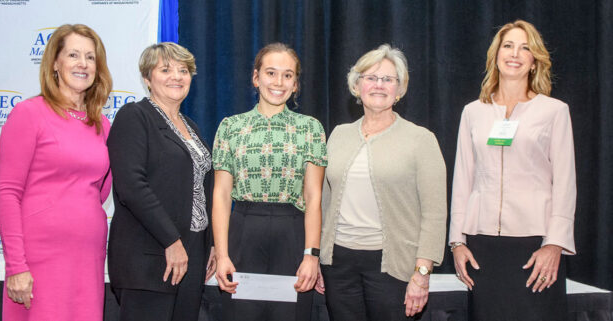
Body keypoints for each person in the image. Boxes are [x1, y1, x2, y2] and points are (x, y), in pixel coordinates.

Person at [449, 20, 576, 321]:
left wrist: (555, 243)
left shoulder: (554, 111)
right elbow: (463, 179)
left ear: (534, 62)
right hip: (482, 247)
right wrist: (457, 241)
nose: (515, 53)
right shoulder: (473, 112)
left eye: (525, 48)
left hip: (536, 245)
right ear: (496, 55)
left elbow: (565, 182)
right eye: (508, 45)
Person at [318, 44, 447, 320]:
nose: (379, 85)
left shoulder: (421, 140)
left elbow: (435, 214)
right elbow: (324, 202)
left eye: (388, 79)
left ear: (399, 89)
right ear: (357, 86)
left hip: (393, 266)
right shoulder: (338, 135)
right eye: (371, 78)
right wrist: (318, 255)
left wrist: (422, 274)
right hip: (338, 264)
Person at [0, 24, 112, 321]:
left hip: (87, 258)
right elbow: (8, 194)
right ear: (55, 64)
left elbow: (100, 192)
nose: (83, 63)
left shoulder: (103, 125)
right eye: (73, 54)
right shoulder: (29, 114)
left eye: (90, 57)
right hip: (39, 259)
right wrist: (16, 266)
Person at [212, 42, 327, 321]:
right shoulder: (231, 126)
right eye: (271, 73)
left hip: (292, 236)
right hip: (242, 234)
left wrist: (311, 255)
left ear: (296, 84)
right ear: (256, 77)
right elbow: (222, 195)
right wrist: (222, 254)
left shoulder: (310, 128)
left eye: (287, 75)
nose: (278, 82)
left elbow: (314, 198)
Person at [107, 42, 215, 321]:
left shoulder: (192, 127)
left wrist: (210, 243)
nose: (176, 76)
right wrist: (171, 240)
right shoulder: (134, 116)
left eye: (183, 70)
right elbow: (131, 186)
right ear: (147, 79)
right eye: (165, 69)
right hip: (150, 255)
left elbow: (202, 190)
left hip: (191, 252)